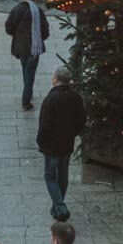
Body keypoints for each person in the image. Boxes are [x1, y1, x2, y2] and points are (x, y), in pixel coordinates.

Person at [36, 66, 84, 222]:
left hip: (51, 146)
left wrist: (40, 140)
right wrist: (72, 133)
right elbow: (81, 120)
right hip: (67, 143)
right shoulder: (76, 97)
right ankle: (56, 208)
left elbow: (44, 125)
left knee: (50, 177)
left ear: (55, 79)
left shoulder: (50, 100)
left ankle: (61, 207)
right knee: (62, 177)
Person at [4, 0, 50, 110]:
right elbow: (45, 31)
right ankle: (26, 101)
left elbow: (8, 27)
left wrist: (17, 34)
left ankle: (28, 92)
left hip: (20, 47)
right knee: (29, 73)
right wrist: (41, 38)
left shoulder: (16, 10)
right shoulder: (39, 12)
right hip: (34, 47)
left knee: (26, 70)